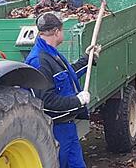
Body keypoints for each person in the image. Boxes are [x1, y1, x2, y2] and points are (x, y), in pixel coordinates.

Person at [25, 12, 100, 168]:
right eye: (63, 29)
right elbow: (46, 102)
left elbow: (67, 75)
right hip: (55, 129)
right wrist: (77, 101)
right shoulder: (39, 61)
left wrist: (87, 59)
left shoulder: (51, 53)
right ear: (57, 32)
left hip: (68, 126)